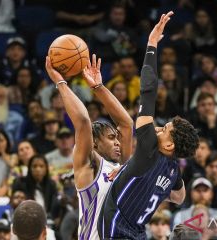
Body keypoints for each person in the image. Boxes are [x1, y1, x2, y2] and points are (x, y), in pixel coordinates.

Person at [97, 12, 199, 239]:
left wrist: (152, 44)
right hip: (138, 234)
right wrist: (133, 174)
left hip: (116, 231)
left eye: (164, 130)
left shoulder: (148, 149)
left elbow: (148, 92)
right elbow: (180, 198)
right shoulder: (173, 170)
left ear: (170, 145)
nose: (158, 128)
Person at [45, 50, 133, 239]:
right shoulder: (91, 167)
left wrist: (99, 87)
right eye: (111, 138)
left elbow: (126, 124)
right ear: (94, 145)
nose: (118, 142)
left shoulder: (123, 166)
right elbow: (83, 121)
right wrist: (60, 82)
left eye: (117, 138)